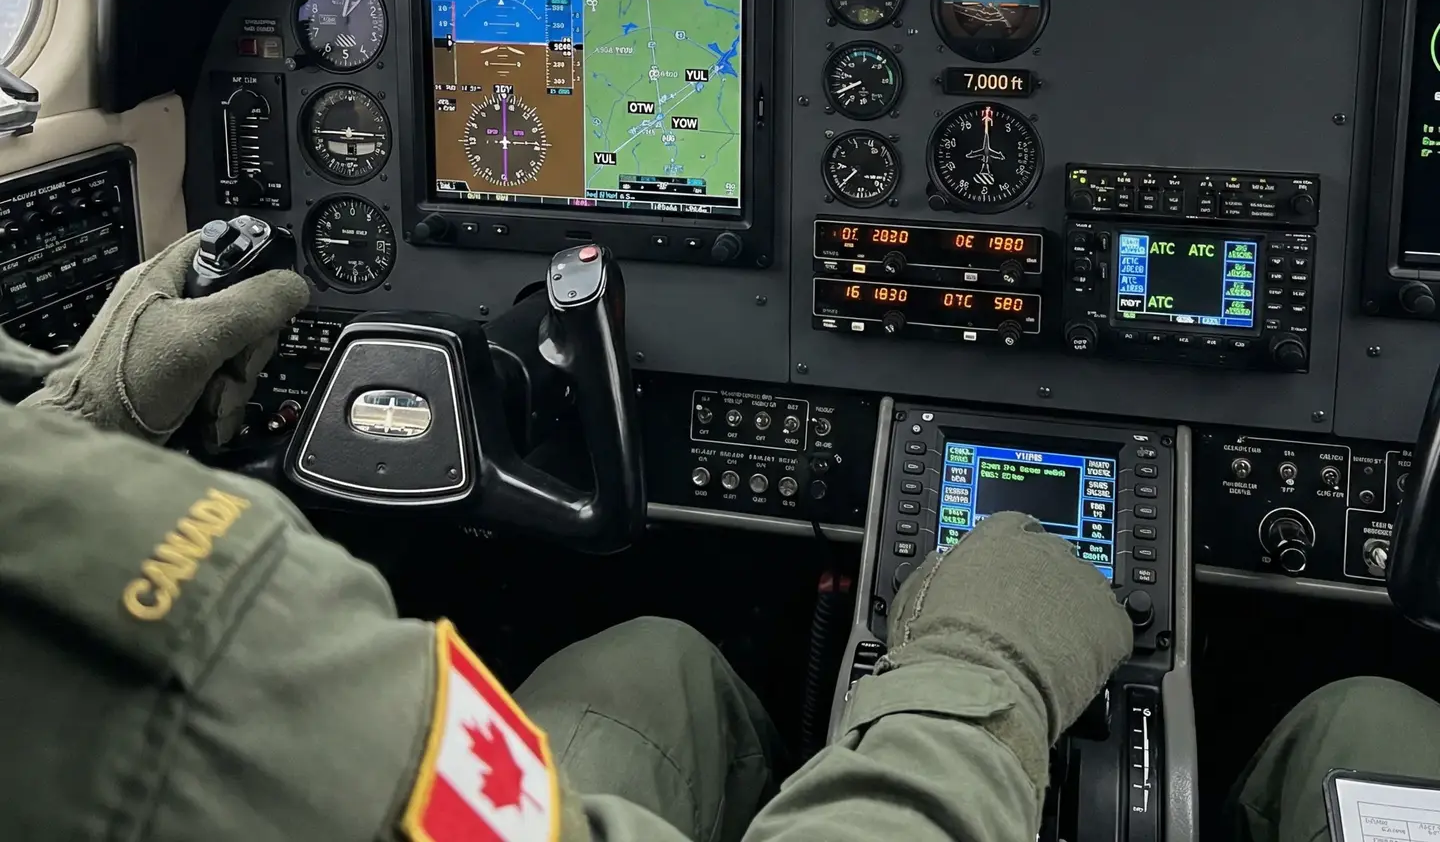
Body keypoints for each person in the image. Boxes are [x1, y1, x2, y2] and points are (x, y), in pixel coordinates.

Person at [0, 235, 1432, 842]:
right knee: (1370, 722)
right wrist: (985, 662)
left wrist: (78, 428)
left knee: (654, 661)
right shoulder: (161, 619)